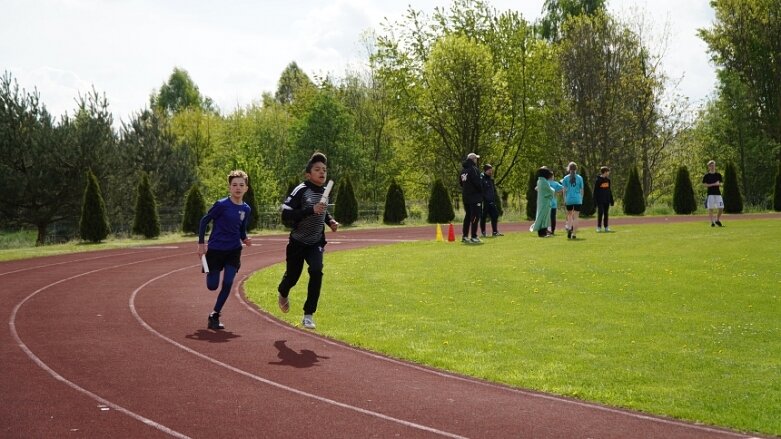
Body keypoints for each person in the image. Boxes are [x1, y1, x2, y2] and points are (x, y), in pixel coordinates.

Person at [278, 152, 340, 330]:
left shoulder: (325, 191)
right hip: (297, 242)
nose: (322, 173)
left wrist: (330, 221)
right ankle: (283, 292)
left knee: (316, 270)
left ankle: (308, 314)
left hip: (315, 242)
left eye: (324, 170)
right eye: (317, 169)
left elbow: (323, 211)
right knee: (292, 277)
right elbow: (285, 215)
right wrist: (310, 210)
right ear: (308, 174)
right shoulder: (301, 190)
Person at [197, 170, 253, 330]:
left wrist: (245, 239)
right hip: (215, 250)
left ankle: (215, 314)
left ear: (246, 188)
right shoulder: (221, 205)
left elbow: (242, 229)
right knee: (212, 286)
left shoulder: (246, 209)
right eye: (234, 185)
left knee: (228, 282)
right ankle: (210, 271)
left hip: (233, 251)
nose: (238, 188)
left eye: (241, 185)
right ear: (229, 187)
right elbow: (204, 222)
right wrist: (201, 244)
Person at [459, 152, 483, 243]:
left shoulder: (463, 171)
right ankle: (473, 236)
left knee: (468, 216)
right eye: (476, 159)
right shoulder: (474, 169)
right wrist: (481, 192)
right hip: (474, 197)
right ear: (473, 159)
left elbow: (461, 183)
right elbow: (478, 183)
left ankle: (465, 236)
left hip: (466, 197)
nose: (476, 160)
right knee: (475, 217)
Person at [561, 162, 584, 239]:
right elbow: (582, 190)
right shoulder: (580, 178)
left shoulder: (565, 178)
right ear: (576, 168)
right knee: (576, 217)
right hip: (577, 199)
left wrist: (564, 199)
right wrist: (581, 198)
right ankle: (574, 234)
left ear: (569, 169)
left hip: (569, 199)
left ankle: (569, 228)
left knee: (569, 216)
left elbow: (564, 190)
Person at [530, 167, 555, 237]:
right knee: (544, 217)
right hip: (545, 202)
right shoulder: (544, 182)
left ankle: (543, 232)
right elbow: (550, 191)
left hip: (542, 201)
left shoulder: (540, 181)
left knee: (542, 216)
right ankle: (542, 233)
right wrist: (553, 190)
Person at [480, 164, 503, 237]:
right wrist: (484, 199)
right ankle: (483, 232)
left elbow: (493, 191)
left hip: (491, 201)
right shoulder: (482, 179)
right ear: (485, 170)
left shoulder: (491, 180)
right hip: (485, 202)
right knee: (483, 217)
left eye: (491, 170)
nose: (491, 172)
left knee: (495, 215)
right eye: (489, 170)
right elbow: (481, 190)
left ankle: (495, 232)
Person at [702, 160, 724, 227]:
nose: (712, 167)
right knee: (710, 208)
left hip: (718, 194)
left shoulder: (718, 175)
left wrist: (719, 184)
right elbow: (705, 185)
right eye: (711, 166)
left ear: (715, 166)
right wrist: (714, 184)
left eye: (713, 165)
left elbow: (721, 183)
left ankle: (717, 220)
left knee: (721, 207)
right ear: (708, 167)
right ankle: (712, 222)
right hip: (710, 194)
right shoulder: (706, 176)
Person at [593, 166, 615, 232]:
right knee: (600, 213)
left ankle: (606, 227)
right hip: (600, 200)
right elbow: (595, 191)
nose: (608, 173)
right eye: (608, 171)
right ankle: (599, 227)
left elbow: (609, 190)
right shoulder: (598, 180)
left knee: (606, 213)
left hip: (607, 200)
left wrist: (611, 199)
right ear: (605, 172)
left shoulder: (608, 180)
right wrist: (594, 201)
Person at [547, 170, 564, 235]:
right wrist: (557, 192)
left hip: (547, 203)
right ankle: (553, 231)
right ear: (552, 176)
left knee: (547, 218)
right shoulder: (555, 183)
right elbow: (563, 188)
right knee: (553, 217)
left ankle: (547, 230)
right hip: (554, 203)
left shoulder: (545, 183)